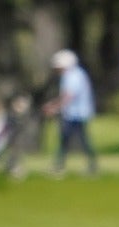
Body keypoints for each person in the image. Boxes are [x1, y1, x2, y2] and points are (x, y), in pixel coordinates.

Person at [45, 49, 97, 177]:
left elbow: (68, 96)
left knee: (78, 140)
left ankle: (90, 166)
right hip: (74, 112)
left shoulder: (73, 75)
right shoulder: (75, 74)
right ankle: (61, 165)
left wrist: (54, 107)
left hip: (76, 113)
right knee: (67, 140)